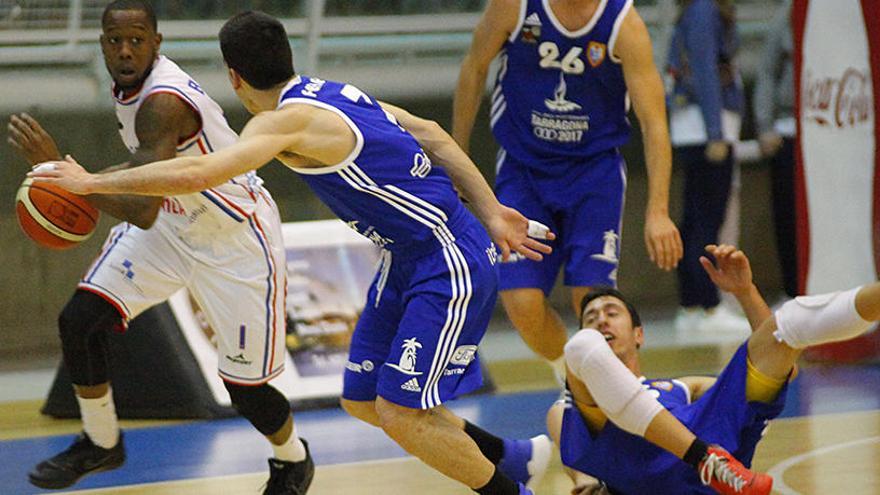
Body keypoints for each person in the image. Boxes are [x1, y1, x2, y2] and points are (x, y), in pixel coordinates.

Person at [31, 10, 557, 495]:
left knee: (400, 413)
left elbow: (198, 173)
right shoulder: (333, 91)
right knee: (362, 399)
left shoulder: (281, 123)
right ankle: (509, 456)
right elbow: (434, 135)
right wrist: (492, 209)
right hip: (404, 258)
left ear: (233, 76)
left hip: (448, 260)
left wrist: (86, 182)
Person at [7, 2, 313, 493]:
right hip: (172, 225)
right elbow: (143, 171)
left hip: (233, 238)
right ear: (103, 42)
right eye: (114, 40)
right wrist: (74, 178)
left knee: (245, 390)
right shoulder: (130, 90)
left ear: (157, 42)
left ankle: (291, 459)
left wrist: (69, 181)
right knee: (79, 322)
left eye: (136, 40)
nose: (125, 50)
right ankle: (102, 443)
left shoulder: (163, 101)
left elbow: (142, 206)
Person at [452, 0, 682, 379]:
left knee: (592, 302)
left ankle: (610, 395)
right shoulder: (515, 7)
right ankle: (570, 375)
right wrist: (457, 157)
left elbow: (654, 122)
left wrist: (657, 211)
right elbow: (474, 68)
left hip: (594, 174)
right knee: (521, 302)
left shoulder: (623, 23)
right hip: (524, 171)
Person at [547, 243, 880, 494]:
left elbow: (781, 370)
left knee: (791, 320)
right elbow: (579, 466)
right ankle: (707, 460)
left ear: (639, 335)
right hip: (643, 472)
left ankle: (712, 463)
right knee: (580, 348)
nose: (601, 319)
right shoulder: (569, 408)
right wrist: (587, 484)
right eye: (591, 318)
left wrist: (745, 292)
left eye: (611, 312)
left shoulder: (680, 387)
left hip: (707, 467)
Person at [666, 0, 750, 334]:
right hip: (706, 129)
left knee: (696, 218)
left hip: (697, 126)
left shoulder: (695, 10)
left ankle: (691, 306)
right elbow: (704, 67)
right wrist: (715, 130)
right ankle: (708, 307)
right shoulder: (703, 9)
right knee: (706, 220)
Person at [753, 0, 797, 299]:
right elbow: (767, 72)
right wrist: (765, 125)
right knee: (788, 215)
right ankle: (792, 289)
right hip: (789, 130)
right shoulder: (790, 12)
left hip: (835, 130)